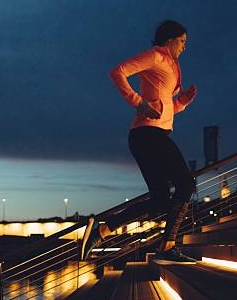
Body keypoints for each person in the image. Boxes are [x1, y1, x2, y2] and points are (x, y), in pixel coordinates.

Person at [81, 20, 197, 262]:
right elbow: (118, 72)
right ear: (170, 39)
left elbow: (164, 109)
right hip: (147, 134)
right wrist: (138, 102)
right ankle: (167, 247)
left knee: (160, 200)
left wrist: (182, 102)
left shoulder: (171, 65)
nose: (185, 47)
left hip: (153, 133)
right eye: (182, 41)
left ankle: (101, 230)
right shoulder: (155, 56)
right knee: (185, 184)